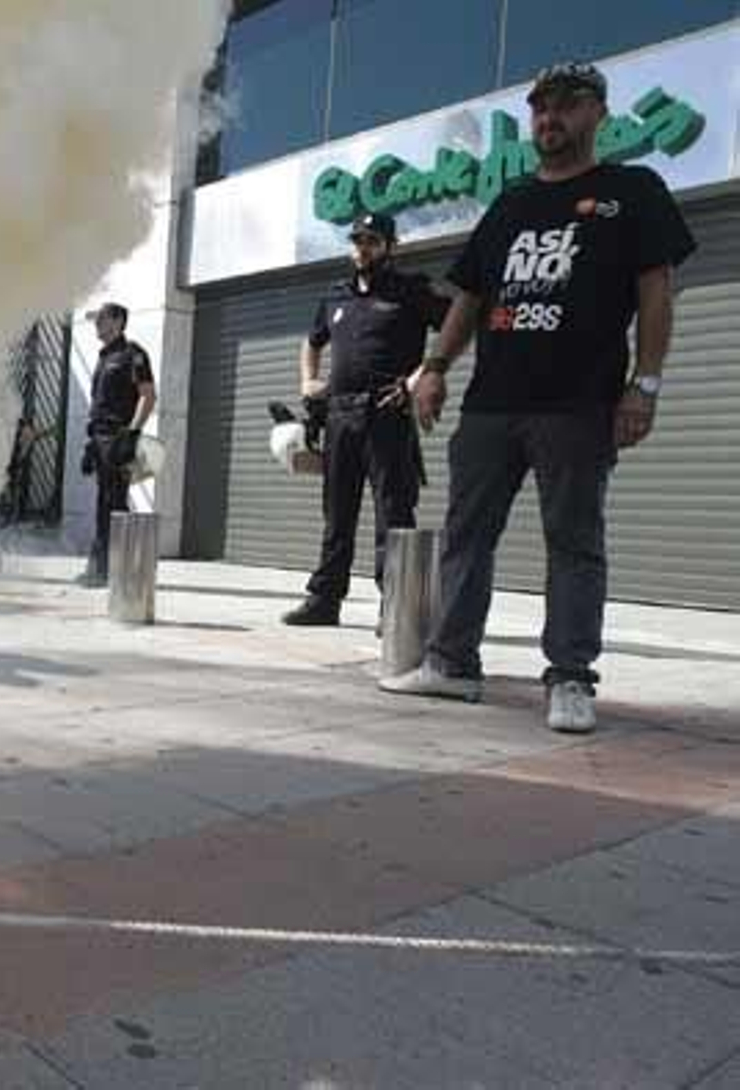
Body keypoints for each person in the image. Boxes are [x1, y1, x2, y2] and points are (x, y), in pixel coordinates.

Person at [380, 61, 696, 734]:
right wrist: (433, 366)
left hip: (578, 402)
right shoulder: (512, 202)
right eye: (541, 108)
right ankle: (452, 662)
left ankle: (572, 677)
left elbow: (656, 291)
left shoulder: (632, 189)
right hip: (492, 402)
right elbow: (470, 296)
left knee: (574, 541)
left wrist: (647, 383)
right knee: (467, 535)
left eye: (567, 105)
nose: (550, 118)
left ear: (598, 114)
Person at [283, 212, 448, 627]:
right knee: (337, 512)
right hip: (340, 415)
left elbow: (452, 330)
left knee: (393, 512)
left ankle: (394, 606)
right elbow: (312, 340)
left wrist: (416, 381)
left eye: (372, 240)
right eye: (357, 240)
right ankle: (324, 600)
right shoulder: (335, 295)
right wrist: (308, 379)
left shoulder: (411, 289)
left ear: (390, 245)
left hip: (387, 414)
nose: (362, 248)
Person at [79, 301, 155, 587]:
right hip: (99, 437)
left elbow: (148, 396)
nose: (97, 324)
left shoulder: (132, 354)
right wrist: (90, 444)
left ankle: (116, 571)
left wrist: (132, 434)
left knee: (115, 503)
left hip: (118, 436)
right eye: (96, 319)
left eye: (102, 318)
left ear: (118, 321)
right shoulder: (103, 357)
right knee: (103, 503)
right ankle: (99, 568)